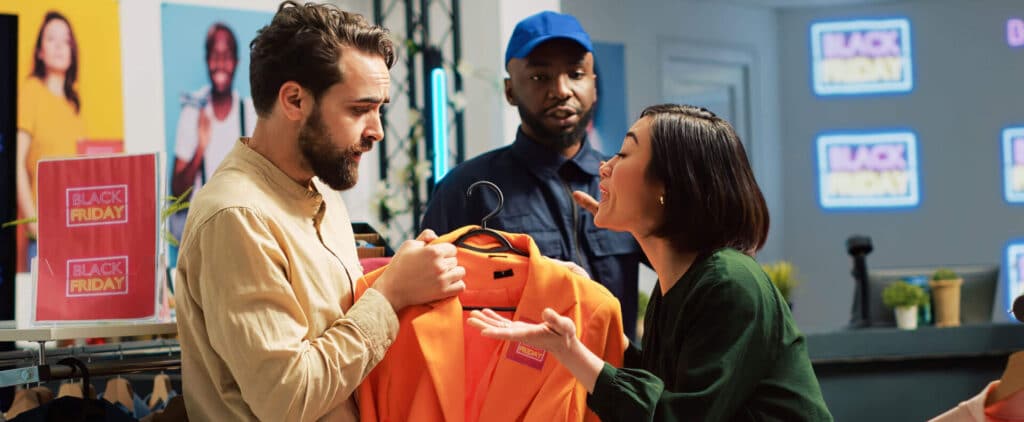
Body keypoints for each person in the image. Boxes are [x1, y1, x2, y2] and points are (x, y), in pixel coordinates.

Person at [174, 2, 466, 421]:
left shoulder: (323, 196)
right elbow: (287, 400)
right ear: (294, 100)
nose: (377, 131)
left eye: (380, 108)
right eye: (359, 109)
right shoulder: (236, 216)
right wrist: (392, 294)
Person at [470, 104, 833, 421]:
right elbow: (661, 382)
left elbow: (677, 414)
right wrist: (585, 316)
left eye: (624, 154)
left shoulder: (730, 283)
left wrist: (571, 351)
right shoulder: (676, 286)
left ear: (668, 187)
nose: (605, 167)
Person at [420, 10, 644, 338]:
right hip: (514, 382)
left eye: (576, 74)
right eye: (540, 77)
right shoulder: (467, 189)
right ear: (510, 90)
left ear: (593, 86)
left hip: (617, 380)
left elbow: (690, 270)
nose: (562, 90)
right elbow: (427, 306)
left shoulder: (626, 181)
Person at [169, 22, 257, 240]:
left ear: (236, 62)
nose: (220, 63)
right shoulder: (193, 113)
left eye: (226, 56)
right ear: (207, 60)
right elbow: (177, 196)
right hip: (200, 237)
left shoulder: (250, 114)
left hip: (241, 235)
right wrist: (200, 148)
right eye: (214, 55)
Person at [16, 11, 84, 270]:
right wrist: (33, 223)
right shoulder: (30, 92)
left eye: (65, 40)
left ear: (72, 51)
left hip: (77, 234)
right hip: (44, 234)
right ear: (40, 52)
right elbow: (17, 163)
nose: (58, 46)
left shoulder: (73, 105)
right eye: (51, 38)